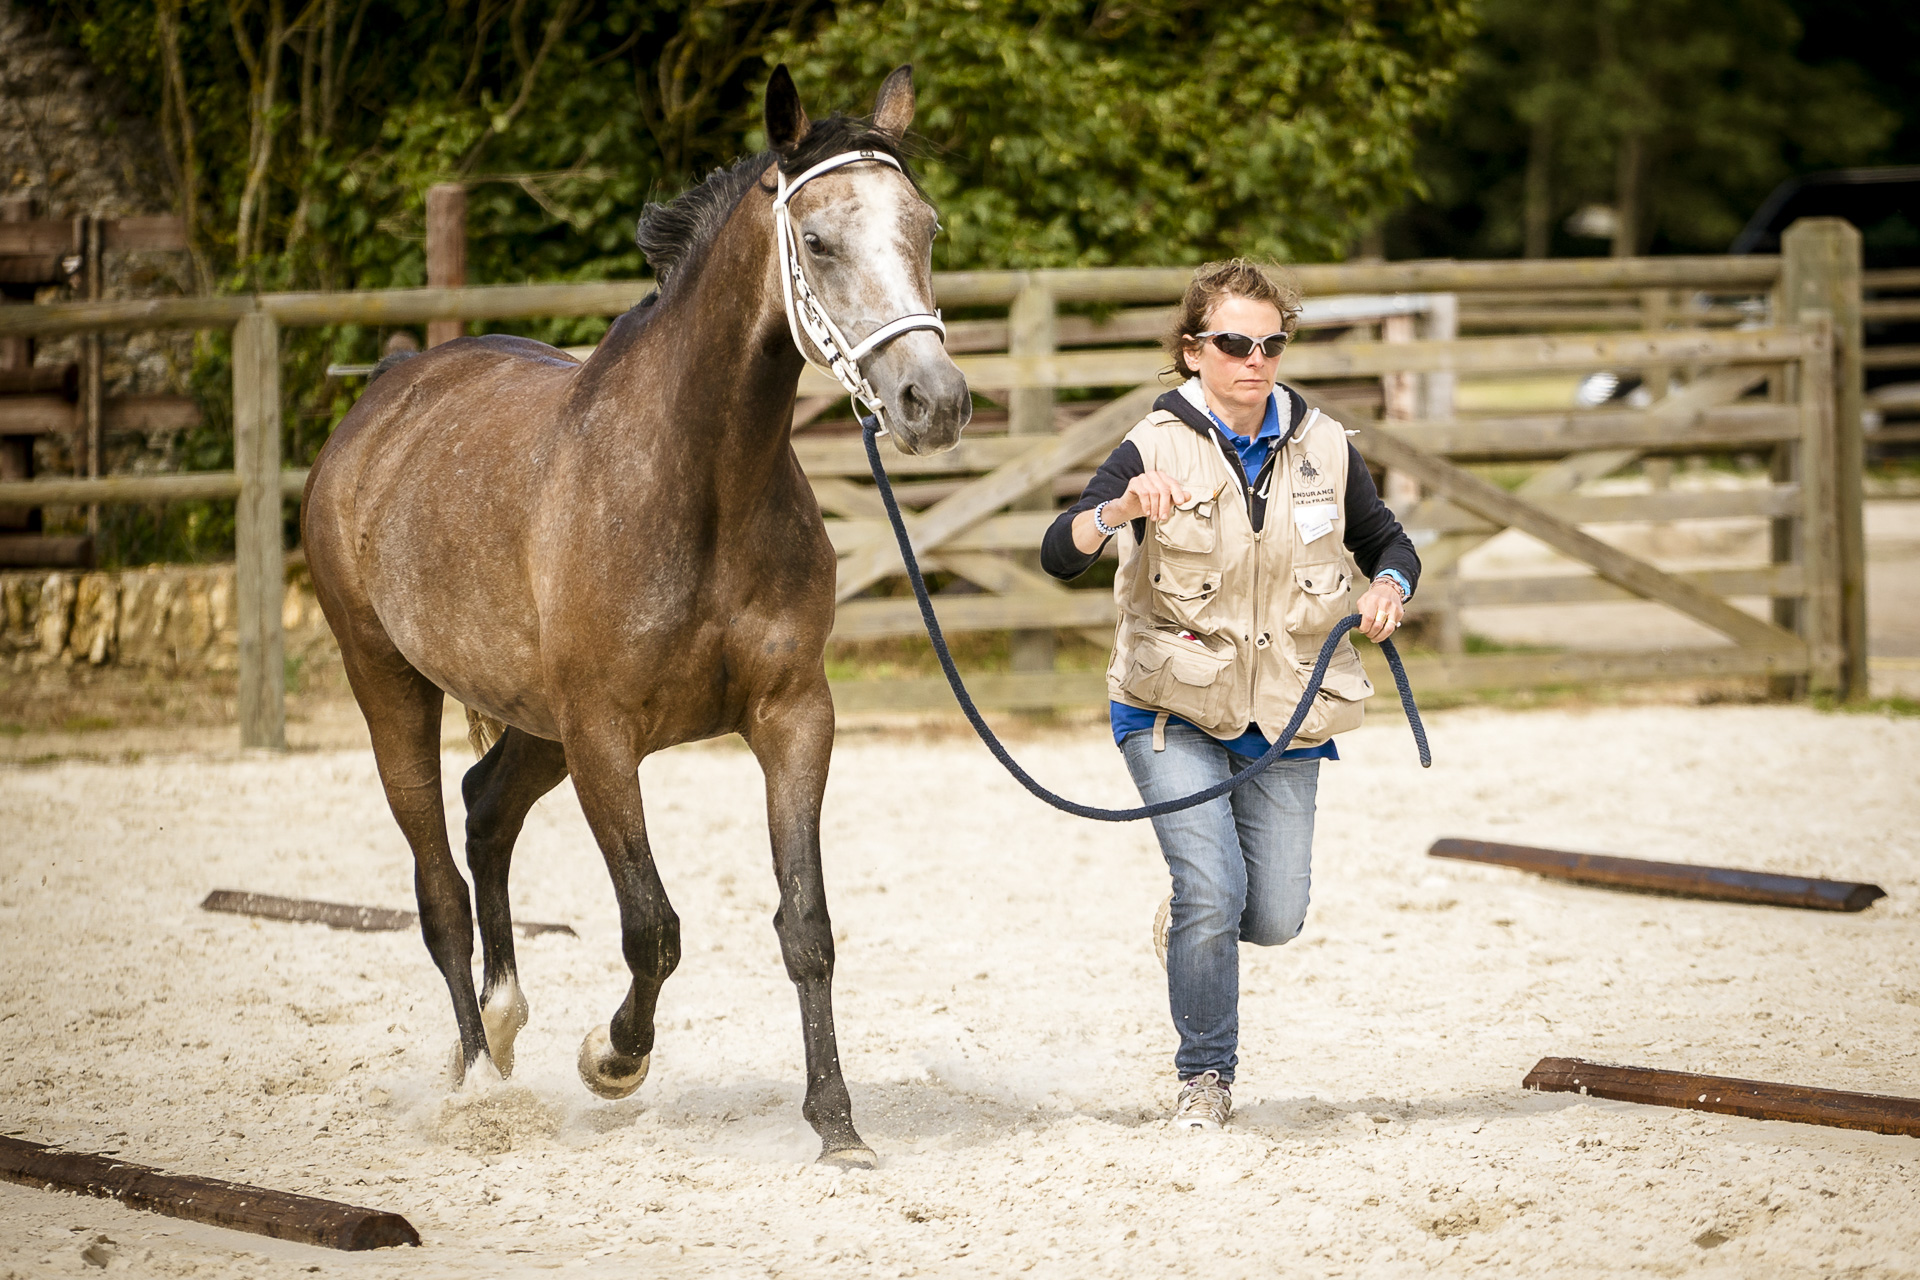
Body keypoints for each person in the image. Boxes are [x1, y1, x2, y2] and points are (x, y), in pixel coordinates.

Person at [1039, 259, 1420, 1130]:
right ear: (1192, 351)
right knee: (1214, 889)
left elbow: (1389, 540)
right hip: (1169, 708)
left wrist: (1389, 585)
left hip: (1286, 712)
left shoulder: (1326, 444)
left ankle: (1190, 914)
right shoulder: (1152, 443)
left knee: (1276, 915)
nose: (1255, 359)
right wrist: (1117, 511)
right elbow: (1059, 552)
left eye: (1271, 343)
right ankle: (1204, 1081)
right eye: (1235, 343)